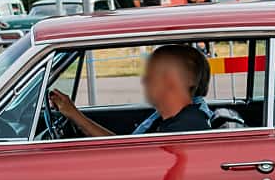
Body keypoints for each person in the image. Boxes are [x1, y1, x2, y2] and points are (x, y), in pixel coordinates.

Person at [49, 43, 213, 137]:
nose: (146, 79)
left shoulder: (185, 129)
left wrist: (74, 114)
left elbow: (124, 155)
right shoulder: (171, 117)